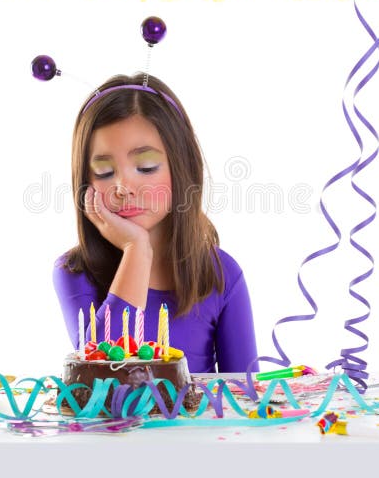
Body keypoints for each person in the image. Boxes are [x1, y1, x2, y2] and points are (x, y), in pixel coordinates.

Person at [52, 72, 258, 373]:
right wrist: (137, 250)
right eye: (105, 172)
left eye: (146, 167)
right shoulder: (74, 273)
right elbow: (102, 377)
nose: (124, 186)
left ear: (182, 165)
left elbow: (245, 396)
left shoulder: (221, 275)